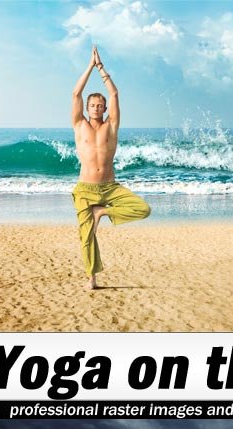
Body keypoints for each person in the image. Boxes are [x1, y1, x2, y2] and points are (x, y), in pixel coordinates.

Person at [72, 46, 150, 288]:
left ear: (104, 109)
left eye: (99, 105)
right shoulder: (79, 125)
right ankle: (92, 278)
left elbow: (114, 94)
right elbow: (76, 94)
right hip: (85, 189)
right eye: (92, 105)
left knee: (143, 209)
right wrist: (89, 66)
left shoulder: (111, 126)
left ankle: (102, 213)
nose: (96, 107)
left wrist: (102, 69)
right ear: (87, 108)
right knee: (87, 237)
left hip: (109, 187)